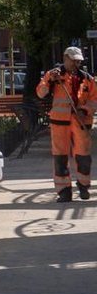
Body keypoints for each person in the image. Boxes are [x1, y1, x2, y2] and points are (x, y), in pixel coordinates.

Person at [35, 46, 97, 202]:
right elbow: (41, 93)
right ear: (65, 58)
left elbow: (94, 100)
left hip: (81, 122)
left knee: (83, 156)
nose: (76, 63)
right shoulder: (53, 75)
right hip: (59, 122)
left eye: (78, 61)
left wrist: (85, 110)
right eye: (73, 60)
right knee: (60, 156)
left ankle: (83, 186)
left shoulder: (87, 79)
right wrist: (50, 80)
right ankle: (64, 191)